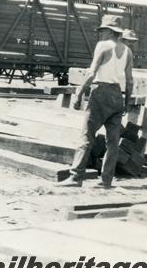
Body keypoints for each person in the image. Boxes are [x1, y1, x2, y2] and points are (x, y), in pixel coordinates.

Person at [57, 15, 133, 188]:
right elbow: (129, 81)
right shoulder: (127, 51)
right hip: (117, 95)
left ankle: (76, 177)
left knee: (87, 136)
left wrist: (79, 94)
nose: (100, 34)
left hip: (101, 93)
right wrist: (127, 102)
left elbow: (91, 73)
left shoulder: (103, 46)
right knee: (113, 143)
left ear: (110, 31)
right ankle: (106, 180)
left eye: (102, 30)